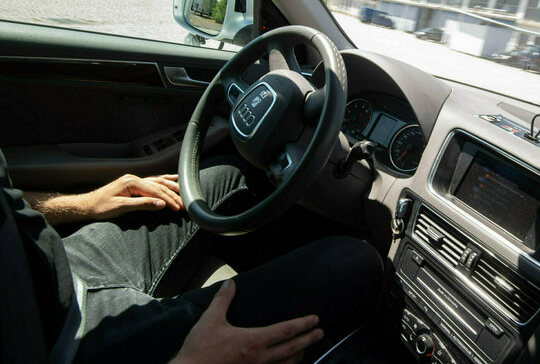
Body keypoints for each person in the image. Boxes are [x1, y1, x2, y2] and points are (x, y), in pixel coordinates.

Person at [0, 150, 383, 363]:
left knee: (231, 180)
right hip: (65, 345)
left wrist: (86, 204)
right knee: (354, 264)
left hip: (62, 264)